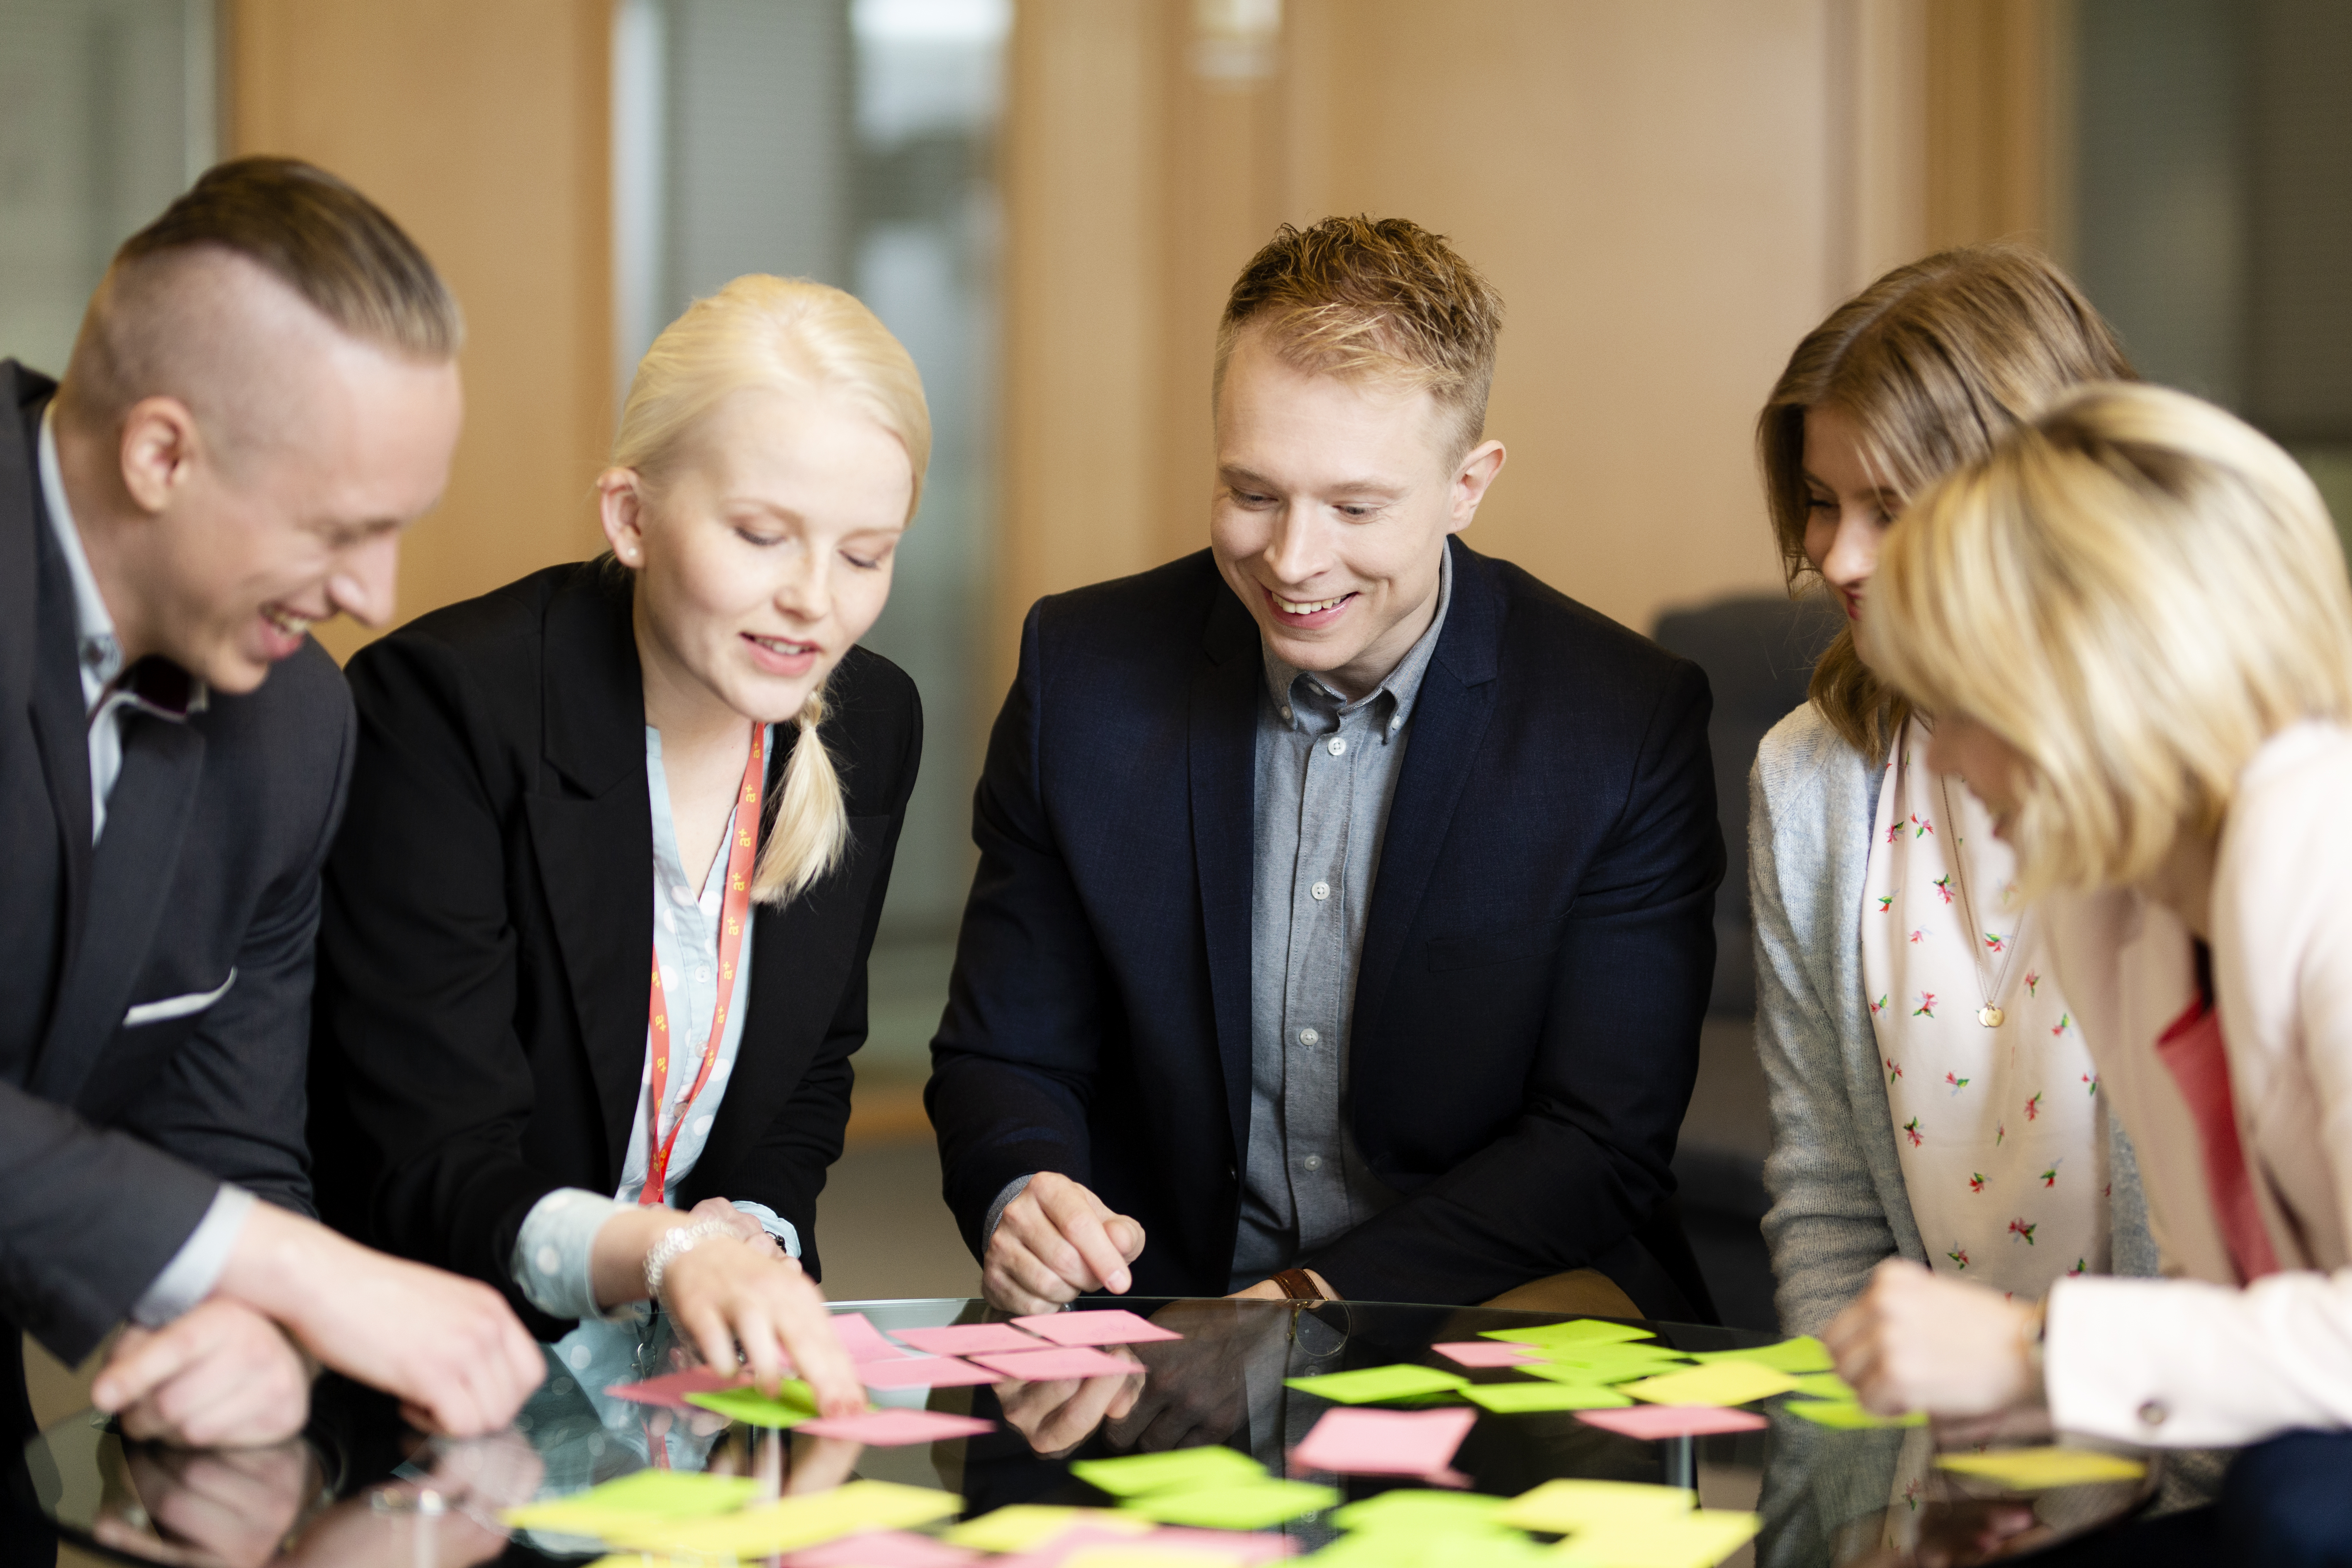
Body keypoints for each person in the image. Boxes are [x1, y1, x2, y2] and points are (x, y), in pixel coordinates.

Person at [927, 215, 1722, 1319]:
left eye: (1356, 507)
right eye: (1253, 494)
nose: (1293, 561)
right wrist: (1026, 1192)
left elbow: (1597, 1143)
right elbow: (1006, 1052)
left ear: (1468, 485)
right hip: (1158, 1286)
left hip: (1489, 1289)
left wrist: (1301, 1302)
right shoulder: (1084, 675)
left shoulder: (1622, 719)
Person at [0, 157, 544, 1556]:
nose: (380, 596)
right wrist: (306, 1275)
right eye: (341, 528)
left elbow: (230, 1137)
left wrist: (253, 1325)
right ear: (162, 453)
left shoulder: (295, 723)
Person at [311, 276, 927, 1421]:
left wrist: (747, 1234)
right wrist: (663, 1253)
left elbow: (812, 1069)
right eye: (760, 534)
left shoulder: (872, 718)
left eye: (865, 554)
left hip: (699, 1395)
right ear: (631, 517)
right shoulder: (444, 709)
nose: (815, 604)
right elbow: (427, 1159)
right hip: (447, 1395)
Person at [1828, 383, 2352, 1563]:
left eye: (1961, 708)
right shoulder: (2115, 907)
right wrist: (2043, 1390)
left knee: (2301, 1502)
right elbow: (2241, 1320)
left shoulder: (2330, 844)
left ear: (2096, 686)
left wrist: (2038, 1353)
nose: (1949, 761)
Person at [1748, 246, 2160, 1338]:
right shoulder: (1806, 779)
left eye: (1893, 507)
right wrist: (1857, 1459)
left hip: (2177, 1452)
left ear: (2038, 504)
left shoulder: (2199, 771)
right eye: (1824, 503)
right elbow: (1829, 1201)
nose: (1839, 557)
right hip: (1920, 1459)